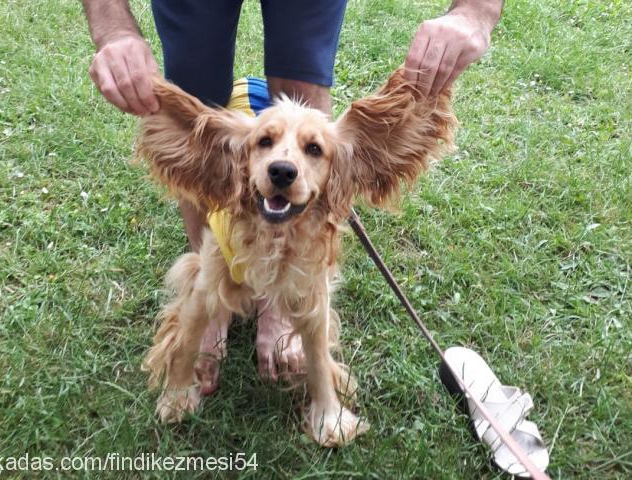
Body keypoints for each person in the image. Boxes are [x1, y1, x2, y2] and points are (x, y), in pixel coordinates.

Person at [82, 0, 502, 395]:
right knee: (195, 88)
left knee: (303, 75)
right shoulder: (232, 155)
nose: (285, 164)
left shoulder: (342, 161)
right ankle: (213, 284)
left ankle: (283, 302)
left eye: (313, 151)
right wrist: (115, 30)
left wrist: (474, 10)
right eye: (266, 145)